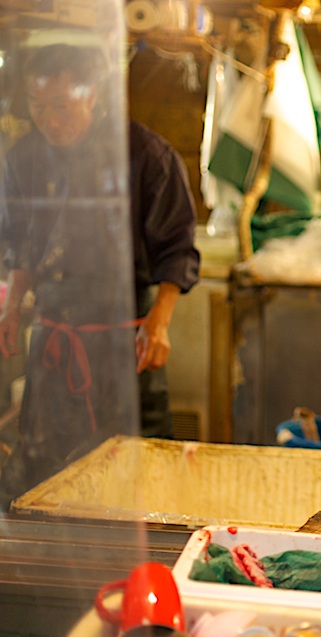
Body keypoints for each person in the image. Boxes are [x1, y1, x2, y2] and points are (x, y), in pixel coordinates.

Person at [0, 43, 200, 505]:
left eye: (61, 106)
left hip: (125, 343)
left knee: (133, 463)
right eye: (38, 106)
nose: (49, 120)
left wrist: (160, 322)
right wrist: (12, 309)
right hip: (53, 340)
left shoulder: (146, 154)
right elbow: (19, 243)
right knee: (43, 465)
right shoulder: (25, 156)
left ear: (93, 96)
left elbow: (176, 246)